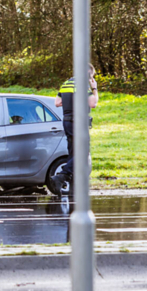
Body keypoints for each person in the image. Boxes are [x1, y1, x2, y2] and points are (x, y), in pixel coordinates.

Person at [52, 63, 99, 195]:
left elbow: (57, 103)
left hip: (67, 121)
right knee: (83, 153)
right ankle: (61, 176)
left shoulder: (66, 83)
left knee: (73, 153)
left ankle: (72, 186)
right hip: (79, 122)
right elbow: (93, 103)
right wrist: (94, 88)